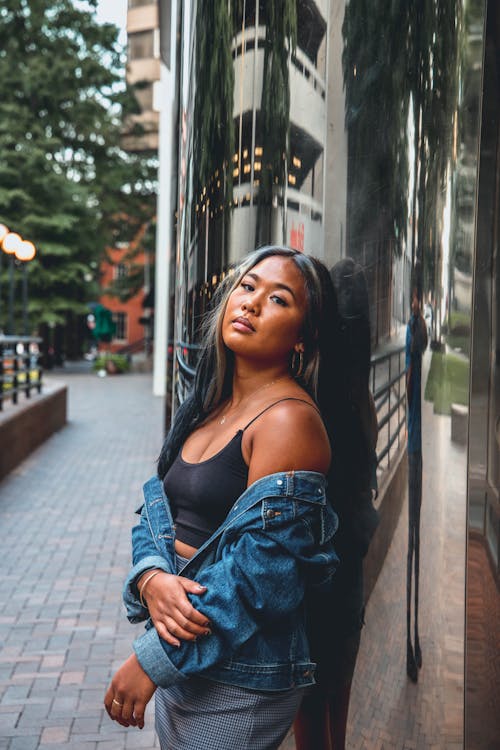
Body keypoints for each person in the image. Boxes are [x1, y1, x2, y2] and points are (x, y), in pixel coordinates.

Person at [104, 246, 351, 750]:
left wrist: (151, 660)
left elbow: (262, 578)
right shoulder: (207, 405)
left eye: (278, 299)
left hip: (241, 672)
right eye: (247, 286)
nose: (252, 303)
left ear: (303, 337)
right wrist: (150, 579)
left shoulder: (289, 421)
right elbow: (155, 515)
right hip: (188, 654)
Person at [293, 258, 379, 750]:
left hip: (323, 559)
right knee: (336, 675)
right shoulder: (355, 399)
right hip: (348, 549)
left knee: (312, 689)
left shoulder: (312, 394)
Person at [405, 287, 427, 682]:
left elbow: (411, 366)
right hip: (415, 426)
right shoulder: (415, 324)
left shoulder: (416, 325)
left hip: (416, 425)